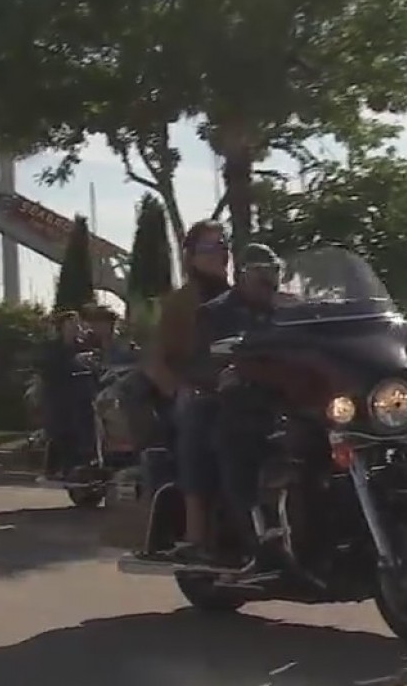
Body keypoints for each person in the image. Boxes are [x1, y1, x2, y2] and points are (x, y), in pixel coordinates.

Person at [190, 243, 284, 570]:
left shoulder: (289, 309)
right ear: (243, 275)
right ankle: (254, 537)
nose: (270, 281)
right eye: (262, 274)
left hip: (290, 399)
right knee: (238, 441)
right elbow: (200, 362)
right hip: (241, 401)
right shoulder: (216, 313)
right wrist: (221, 375)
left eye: (274, 272)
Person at [144, 220, 232, 564]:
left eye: (223, 245)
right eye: (210, 247)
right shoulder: (180, 303)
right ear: (191, 256)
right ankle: (195, 534)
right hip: (198, 391)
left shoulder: (240, 297)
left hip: (240, 390)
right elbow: (156, 361)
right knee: (198, 418)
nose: (219, 254)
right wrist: (182, 389)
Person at [37, 311, 97, 479]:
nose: (75, 328)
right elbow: (48, 370)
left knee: (83, 429)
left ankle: (79, 466)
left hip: (81, 395)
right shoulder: (53, 348)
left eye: (77, 324)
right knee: (60, 431)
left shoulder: (84, 347)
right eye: (71, 325)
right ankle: (55, 468)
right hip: (59, 396)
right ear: (62, 328)